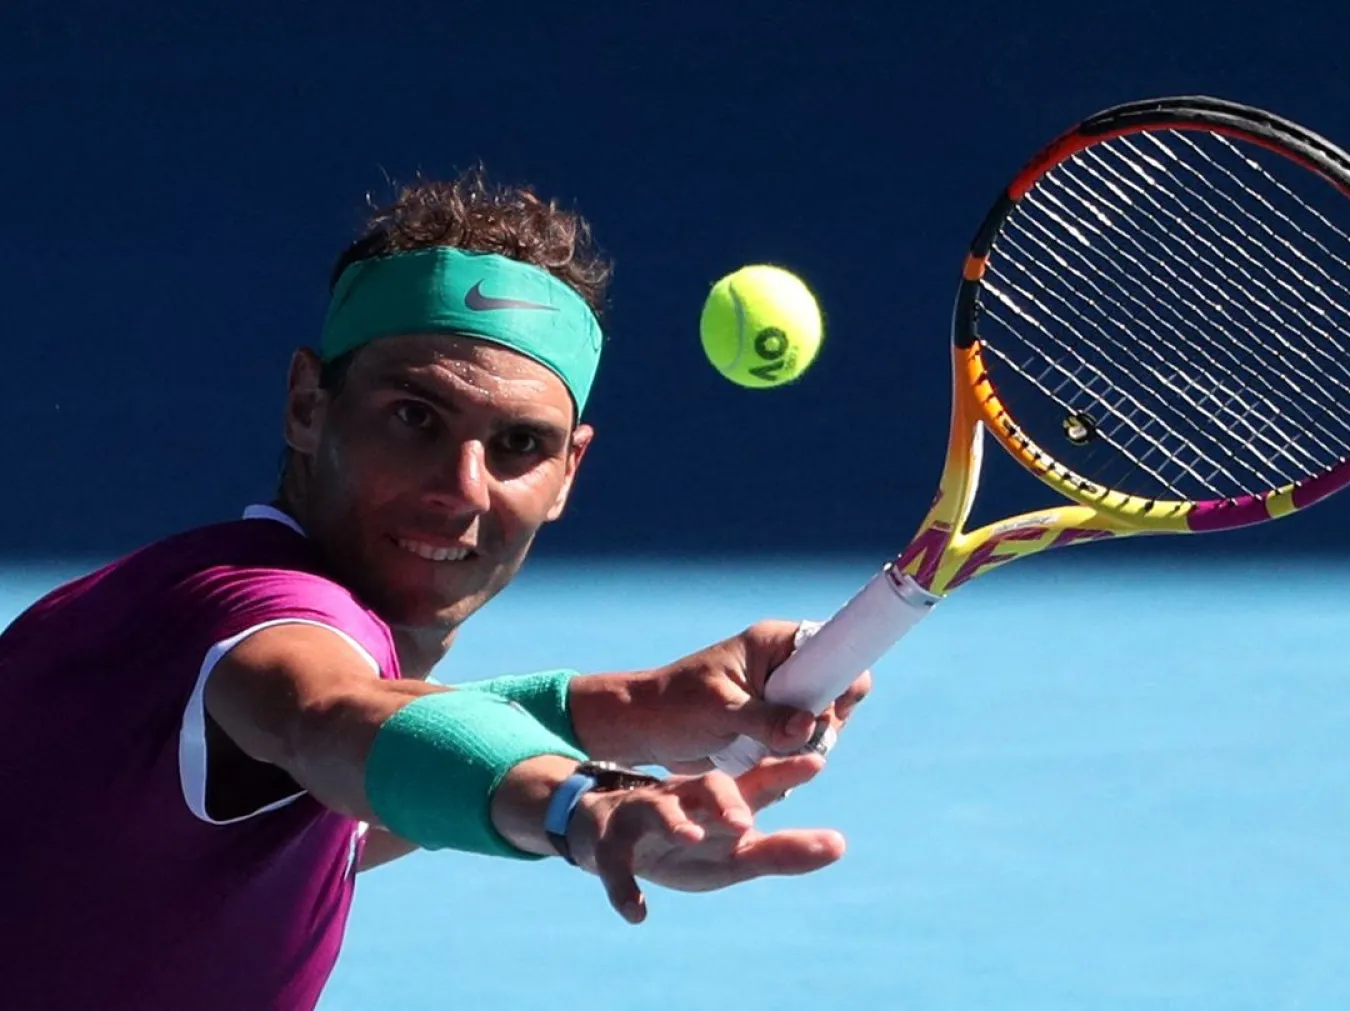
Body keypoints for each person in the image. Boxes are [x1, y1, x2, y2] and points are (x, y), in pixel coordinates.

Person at [0, 169, 871, 1011]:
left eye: (520, 444)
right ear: (308, 403)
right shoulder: (262, 617)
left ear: (570, 472)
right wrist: (582, 802)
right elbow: (333, 721)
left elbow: (342, 798)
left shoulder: (172, 613)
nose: (463, 487)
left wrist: (629, 706)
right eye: (415, 417)